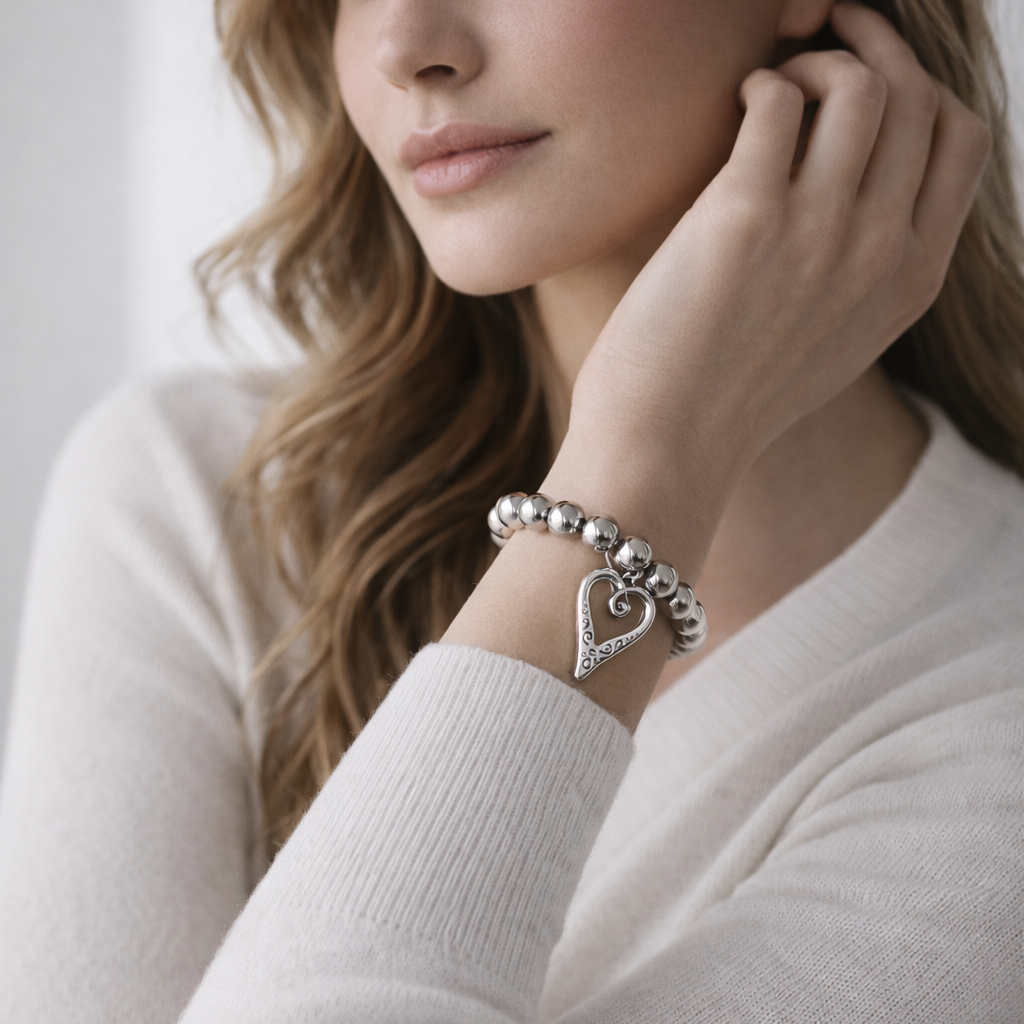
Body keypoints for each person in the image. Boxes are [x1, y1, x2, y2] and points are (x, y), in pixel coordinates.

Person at [0, 0, 1021, 1019]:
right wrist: (641, 467)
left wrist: (648, 453)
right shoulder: (203, 498)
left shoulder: (993, 706)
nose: (405, 48)